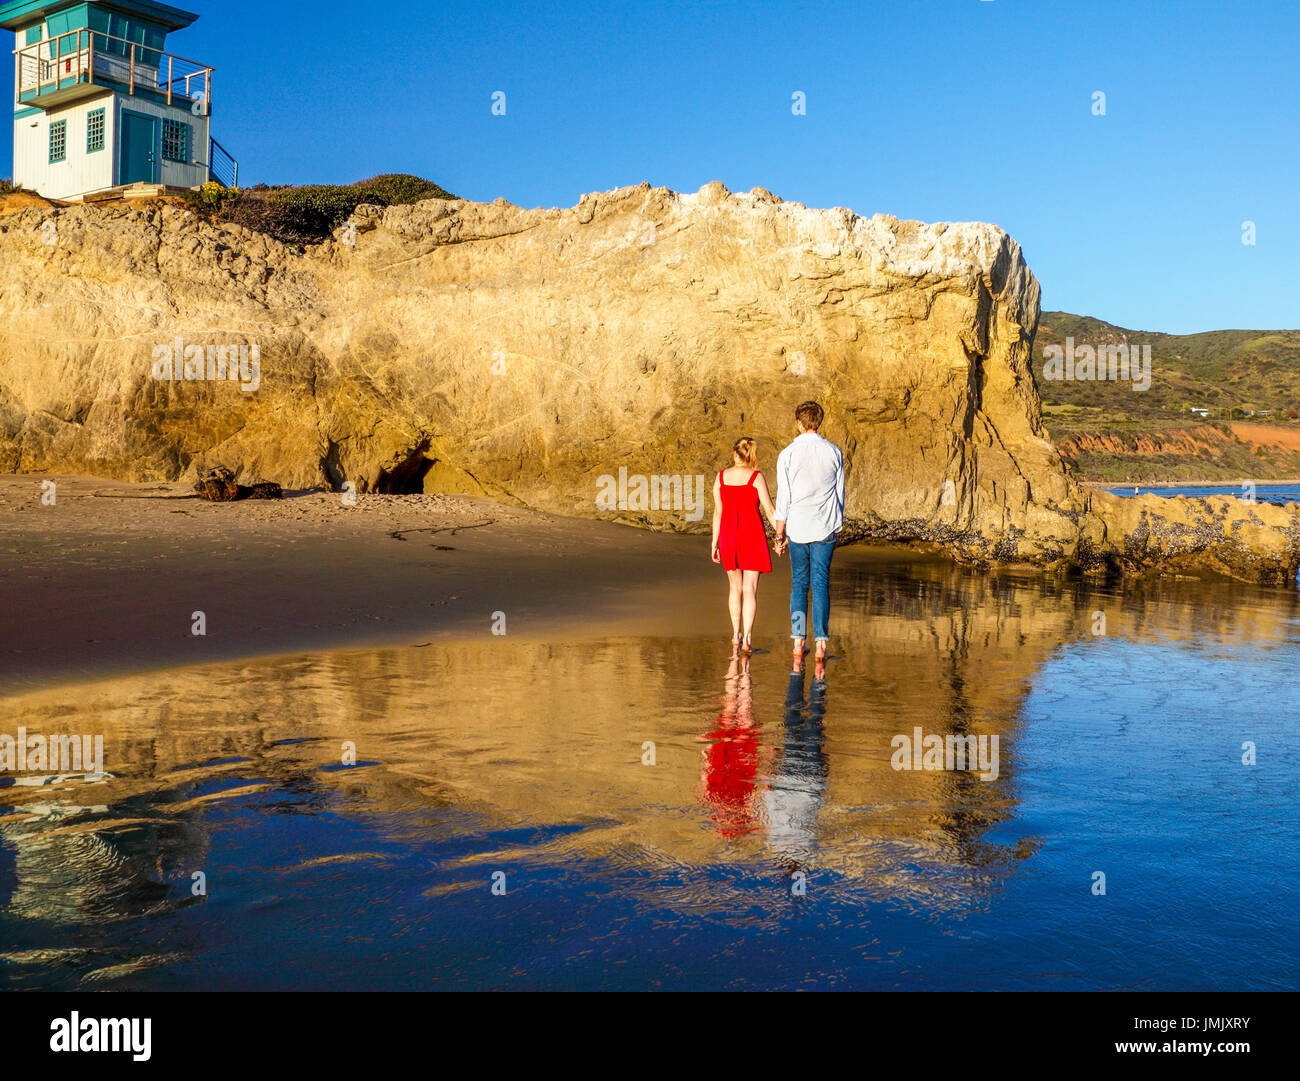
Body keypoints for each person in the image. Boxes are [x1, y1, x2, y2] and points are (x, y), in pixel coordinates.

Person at [772, 401, 845, 664]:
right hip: (825, 526)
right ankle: (821, 645)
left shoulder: (787, 455)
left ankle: (798, 641)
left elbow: (784, 499)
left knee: (799, 585)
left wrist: (779, 535)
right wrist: (838, 525)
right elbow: (839, 495)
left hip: (798, 528)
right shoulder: (834, 452)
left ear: (799, 423)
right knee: (821, 583)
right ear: (818, 422)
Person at [711, 436, 781, 653]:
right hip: (752, 535)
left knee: (735, 588)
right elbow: (769, 510)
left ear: (734, 454)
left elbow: (718, 512)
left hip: (729, 535)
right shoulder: (756, 477)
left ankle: (735, 636)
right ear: (751, 456)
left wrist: (714, 542)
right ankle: (748, 637)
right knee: (750, 589)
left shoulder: (721, 477)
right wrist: (779, 535)